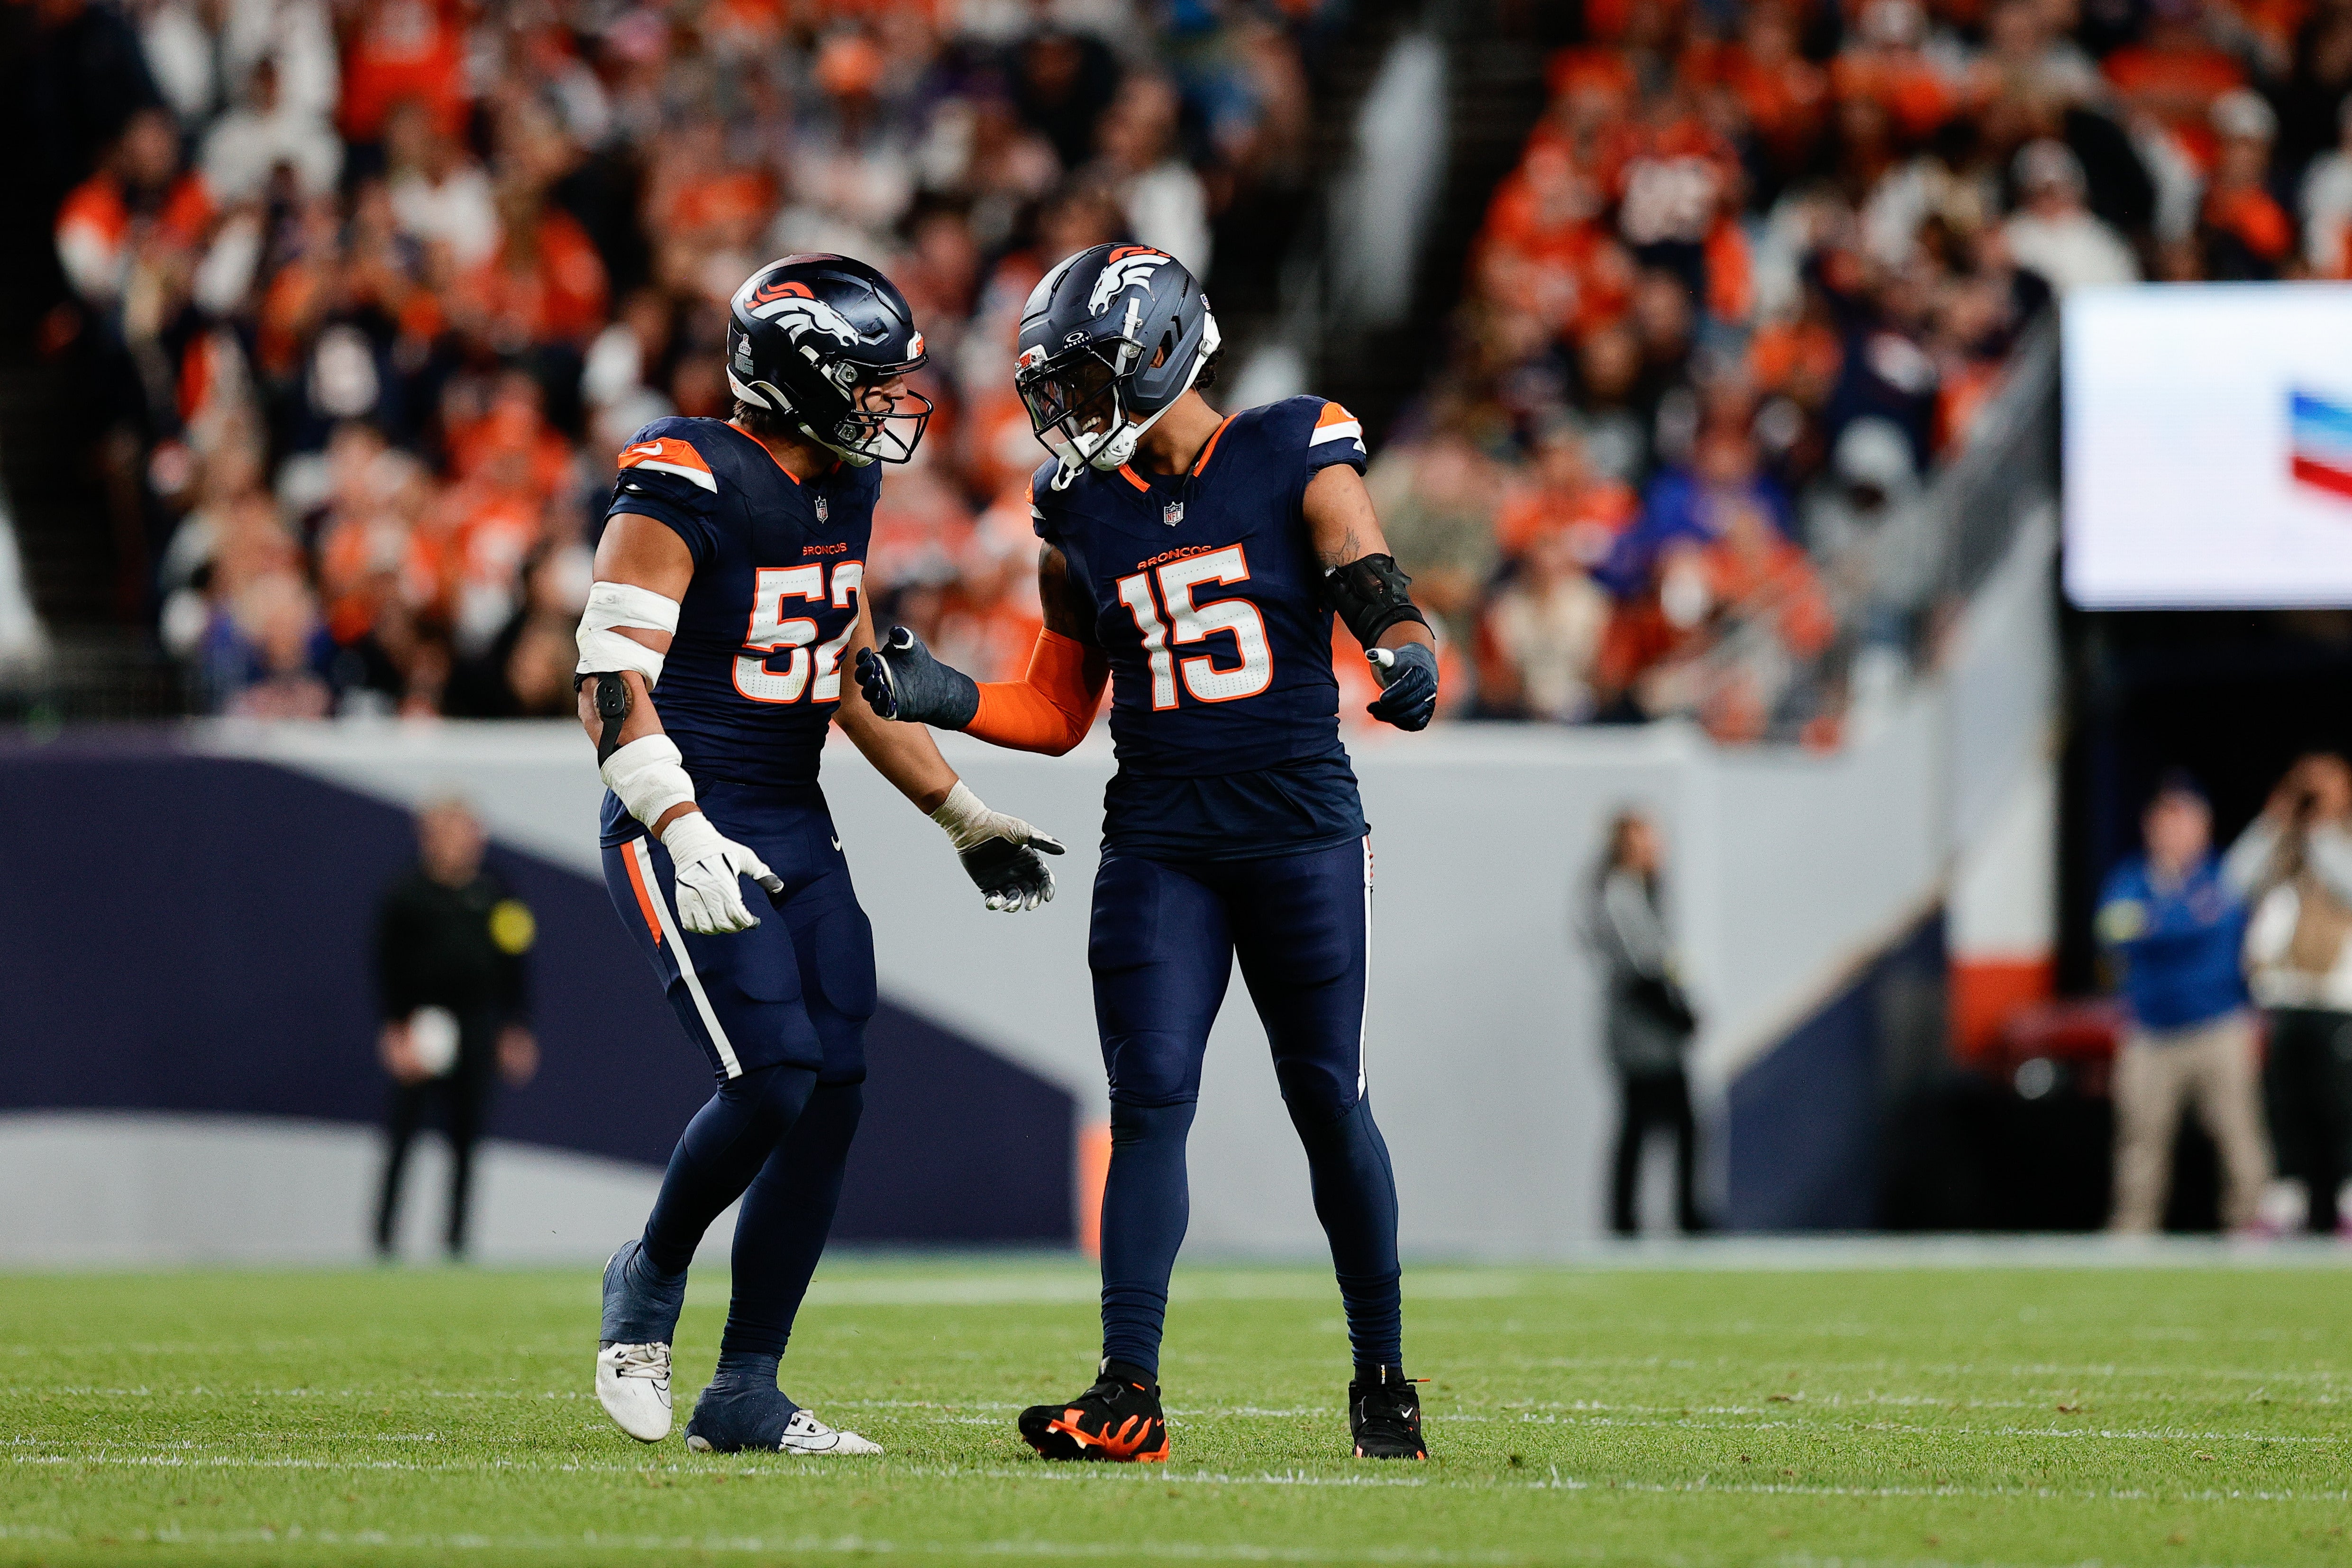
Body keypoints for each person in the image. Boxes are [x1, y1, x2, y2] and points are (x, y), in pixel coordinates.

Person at [855, 243, 1441, 1462]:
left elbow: (1359, 558)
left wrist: (1400, 639)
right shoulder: (1077, 506)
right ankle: (1128, 1388)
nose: (1060, 412)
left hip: (1297, 829)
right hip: (1161, 838)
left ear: (1161, 351)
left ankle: (1381, 1375)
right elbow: (1058, 706)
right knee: (1147, 1105)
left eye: (1078, 381)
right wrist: (942, 693)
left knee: (1325, 1095)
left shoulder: (1292, 439)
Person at [580, 254, 1064, 1457]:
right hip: (679, 809)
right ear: (794, 375)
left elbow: (839, 670)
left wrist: (956, 810)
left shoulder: (841, 485)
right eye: (864, 379)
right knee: (774, 1072)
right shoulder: (683, 477)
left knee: (836, 1084)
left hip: (793, 813)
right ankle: (644, 1279)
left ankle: (746, 1388)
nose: (885, 402)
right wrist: (679, 828)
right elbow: (605, 682)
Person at [2094, 772, 2271, 1234]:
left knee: (2237, 1134)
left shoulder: (2223, 876)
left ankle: (2250, 1227)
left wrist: (2153, 925)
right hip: (2151, 1028)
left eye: (2185, 821)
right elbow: (2112, 929)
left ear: (2204, 827)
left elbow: (2217, 930)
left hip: (2217, 1024)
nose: (2175, 832)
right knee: (2140, 1140)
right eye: (2167, 821)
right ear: (2151, 825)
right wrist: (2179, 920)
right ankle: (2133, 1231)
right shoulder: (2131, 877)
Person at [372, 796, 538, 1259]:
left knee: (467, 1135)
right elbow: (386, 965)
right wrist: (394, 1028)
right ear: (429, 836)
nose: (464, 842)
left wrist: (515, 1025)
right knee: (404, 1134)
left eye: (469, 832)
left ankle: (456, 1242)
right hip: (424, 1022)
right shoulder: (407, 894)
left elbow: (514, 962)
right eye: (452, 831)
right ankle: (384, 1239)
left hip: (477, 1020)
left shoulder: (496, 892)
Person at [2226, 754, 2352, 1236]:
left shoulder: (2339, 843)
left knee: (2342, 1106)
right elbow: (2232, 880)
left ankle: (2347, 1204)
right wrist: (2274, 818)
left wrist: (2320, 827)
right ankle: (2286, 1204)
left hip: (2337, 998)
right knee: (2285, 1108)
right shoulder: (2282, 845)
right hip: (2283, 996)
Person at [1585, 809, 1703, 1236]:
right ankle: (1656, 1217)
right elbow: (1644, 965)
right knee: (1652, 1121)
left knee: (1662, 1122)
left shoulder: (1643, 892)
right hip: (1642, 1030)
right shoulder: (1622, 894)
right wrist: (1677, 1011)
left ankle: (1645, 1217)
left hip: (1650, 1026)